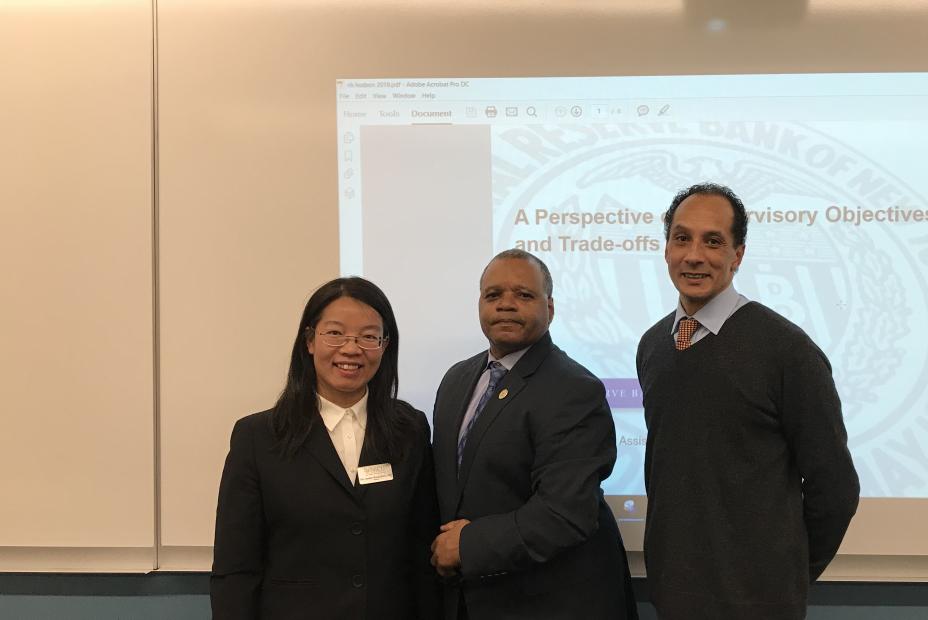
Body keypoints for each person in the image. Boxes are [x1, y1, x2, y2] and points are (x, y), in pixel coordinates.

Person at [637, 183, 860, 620]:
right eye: (682, 238)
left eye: (712, 241)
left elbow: (835, 488)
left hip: (760, 604)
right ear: (666, 249)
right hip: (675, 596)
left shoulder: (788, 351)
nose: (694, 255)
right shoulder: (653, 345)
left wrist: (783, 576)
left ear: (737, 254)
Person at [211, 277, 439, 620]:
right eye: (335, 333)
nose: (351, 349)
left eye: (368, 336)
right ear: (309, 341)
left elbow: (422, 552)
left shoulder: (411, 429)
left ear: (385, 345)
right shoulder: (258, 437)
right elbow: (235, 568)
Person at [430, 249, 637, 620]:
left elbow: (565, 514)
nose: (506, 304)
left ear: (550, 308)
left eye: (524, 295)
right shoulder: (456, 379)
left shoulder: (574, 389)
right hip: (470, 600)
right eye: (493, 295)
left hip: (547, 601)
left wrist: (467, 545)